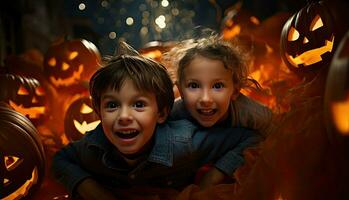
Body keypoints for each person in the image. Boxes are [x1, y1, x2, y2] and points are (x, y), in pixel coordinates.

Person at [51, 42, 261, 199]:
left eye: (139, 105)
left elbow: (251, 138)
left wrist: (213, 176)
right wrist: (91, 190)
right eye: (112, 105)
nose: (124, 116)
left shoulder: (185, 141)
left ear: (161, 113)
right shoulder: (92, 146)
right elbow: (60, 159)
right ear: (98, 112)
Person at [164, 33, 274, 187]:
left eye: (217, 86)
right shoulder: (173, 113)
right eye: (194, 86)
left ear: (235, 91)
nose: (206, 99)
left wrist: (221, 169)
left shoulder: (252, 113)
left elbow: (274, 135)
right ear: (180, 90)